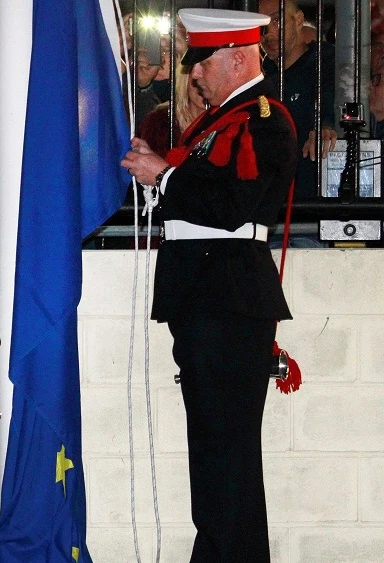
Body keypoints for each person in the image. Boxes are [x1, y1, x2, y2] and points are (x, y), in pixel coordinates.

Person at [121, 9, 297, 562]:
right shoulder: (221, 120)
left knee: (227, 453)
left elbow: (231, 204)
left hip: (228, 302)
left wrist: (164, 175)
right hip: (208, 302)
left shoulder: (262, 119)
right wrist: (162, 168)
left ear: (240, 57)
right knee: (217, 453)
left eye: (202, 61)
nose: (192, 74)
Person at [258, 0, 336, 199]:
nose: (268, 32)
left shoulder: (326, 63)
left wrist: (326, 125)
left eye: (277, 20)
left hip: (315, 201)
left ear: (299, 20)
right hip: (273, 206)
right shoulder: (259, 78)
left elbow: (341, 109)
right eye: (261, 24)